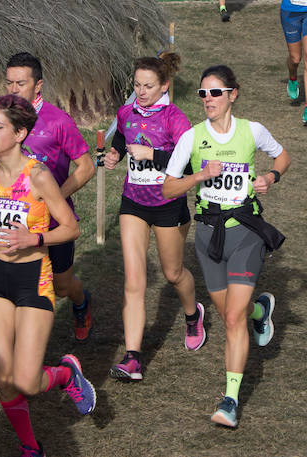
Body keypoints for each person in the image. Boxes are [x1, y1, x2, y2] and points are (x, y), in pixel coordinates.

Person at [0, 95, 95, 457]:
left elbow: (70, 228)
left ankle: (67, 374)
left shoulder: (38, 176)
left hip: (33, 276)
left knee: (26, 380)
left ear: (20, 133)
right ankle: (29, 446)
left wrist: (33, 238)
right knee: (3, 380)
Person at [162, 65, 291, 428]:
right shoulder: (192, 138)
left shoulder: (253, 131)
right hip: (207, 235)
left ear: (233, 94)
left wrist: (270, 176)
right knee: (230, 313)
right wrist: (200, 175)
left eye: (215, 93)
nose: (208, 100)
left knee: (232, 318)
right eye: (203, 94)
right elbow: (168, 189)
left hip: (245, 231)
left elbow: (283, 157)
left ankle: (230, 399)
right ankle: (260, 312)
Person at [102, 53, 206, 381]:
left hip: (168, 204)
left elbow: (191, 166)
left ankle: (192, 315)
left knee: (173, 273)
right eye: (137, 85)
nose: (142, 91)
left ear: (164, 86)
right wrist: (115, 154)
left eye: (149, 86)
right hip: (134, 202)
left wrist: (154, 155)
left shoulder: (176, 119)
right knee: (134, 282)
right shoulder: (126, 112)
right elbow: (121, 137)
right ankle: (132, 357)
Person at [5, 53, 95, 341]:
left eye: (21, 83)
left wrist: (54, 198)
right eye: (9, 83)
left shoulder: (58, 121)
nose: (13, 89)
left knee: (62, 287)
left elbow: (87, 166)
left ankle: (81, 301)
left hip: (55, 223)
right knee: (21, 287)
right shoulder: (4, 119)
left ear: (38, 85)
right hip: (18, 222)